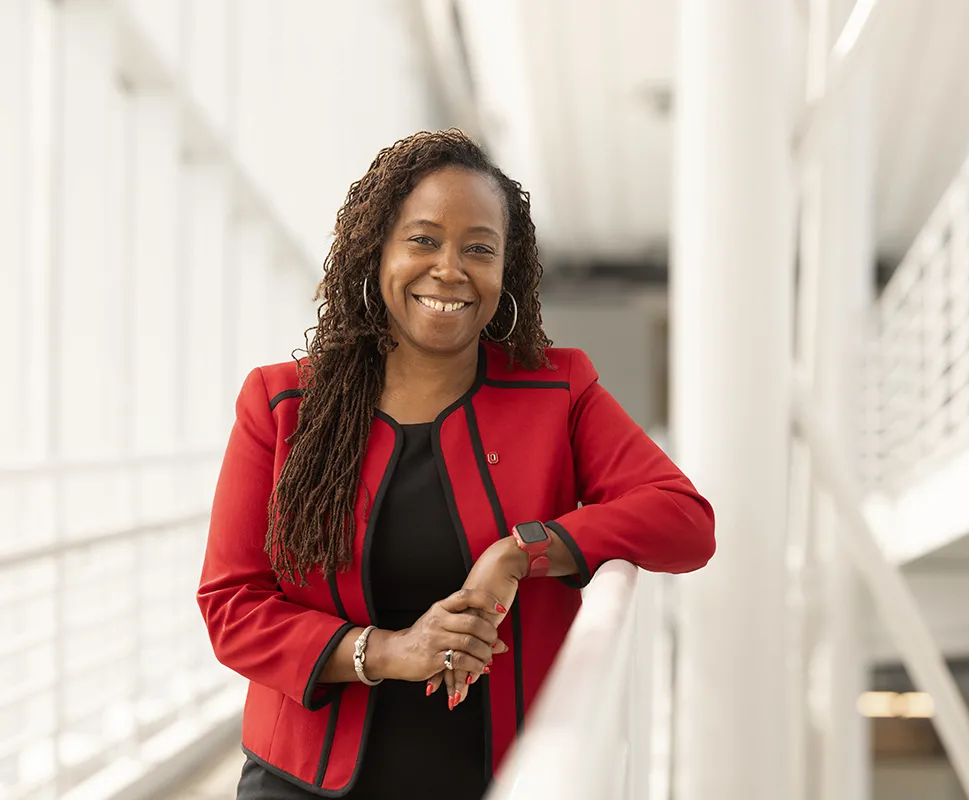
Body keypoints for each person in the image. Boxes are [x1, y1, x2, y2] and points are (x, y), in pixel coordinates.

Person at [197, 129, 716, 799]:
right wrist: (386, 651)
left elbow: (684, 521)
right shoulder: (281, 403)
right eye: (422, 240)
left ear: (507, 270)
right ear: (377, 249)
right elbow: (231, 605)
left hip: (490, 781)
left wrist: (521, 551)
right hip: (300, 781)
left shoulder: (557, 391)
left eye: (479, 248)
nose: (450, 268)